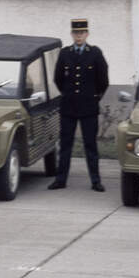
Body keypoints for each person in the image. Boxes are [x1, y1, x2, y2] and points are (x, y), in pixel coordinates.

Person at [49, 18, 109, 192]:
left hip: (89, 107)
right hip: (68, 107)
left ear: (87, 34)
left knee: (90, 145)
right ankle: (60, 180)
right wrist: (68, 94)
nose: (79, 36)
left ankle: (96, 181)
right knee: (65, 145)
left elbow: (103, 80)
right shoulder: (65, 53)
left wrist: (93, 97)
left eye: (82, 33)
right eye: (76, 33)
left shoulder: (95, 53)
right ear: (71, 34)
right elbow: (58, 79)